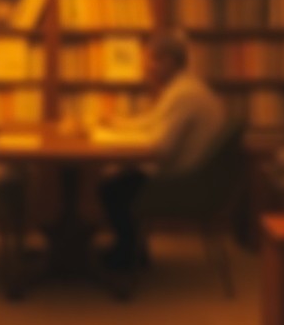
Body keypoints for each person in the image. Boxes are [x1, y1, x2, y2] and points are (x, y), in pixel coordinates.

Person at [95, 32, 227, 270]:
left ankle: (127, 255)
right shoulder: (182, 87)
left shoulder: (184, 94)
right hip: (192, 175)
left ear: (171, 62)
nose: (148, 67)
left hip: (182, 182)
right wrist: (115, 124)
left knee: (112, 188)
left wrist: (117, 141)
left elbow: (161, 146)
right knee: (117, 180)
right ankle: (132, 250)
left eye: (154, 60)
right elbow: (151, 122)